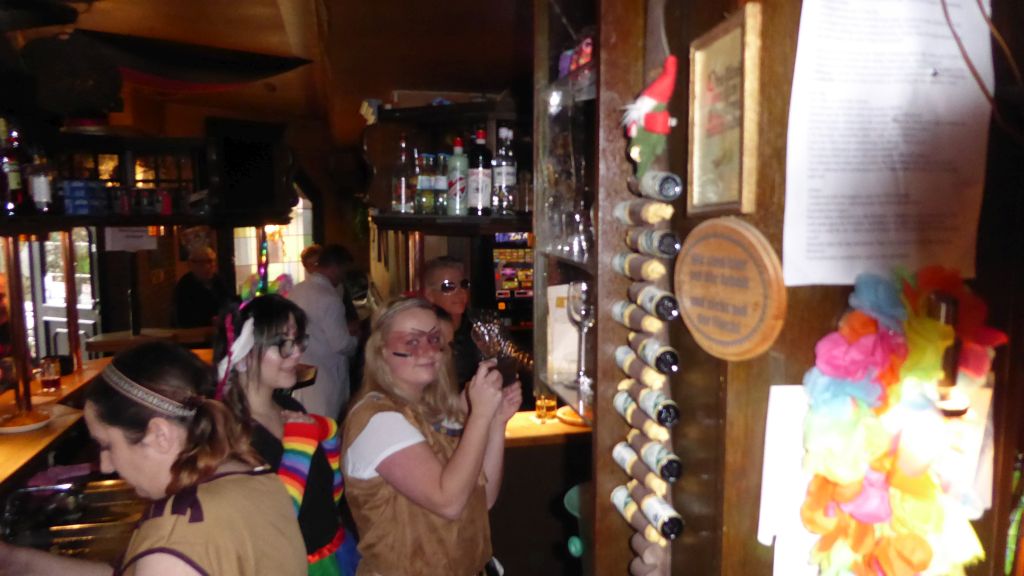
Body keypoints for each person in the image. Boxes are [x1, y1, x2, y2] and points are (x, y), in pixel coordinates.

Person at [0, 341, 307, 576]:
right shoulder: (255, 475)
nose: (105, 466)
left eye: (106, 445)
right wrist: (17, 562)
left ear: (160, 435)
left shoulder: (171, 549)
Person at [341, 297, 520, 576]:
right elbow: (449, 502)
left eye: (434, 339)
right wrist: (480, 416)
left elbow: (481, 500)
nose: (427, 350)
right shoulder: (378, 420)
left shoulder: (434, 411)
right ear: (381, 351)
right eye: (411, 342)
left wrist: (496, 421)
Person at [214, 294, 358, 576]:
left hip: (334, 554)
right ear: (243, 358)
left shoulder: (289, 407)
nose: (296, 353)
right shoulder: (230, 431)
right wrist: (301, 446)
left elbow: (328, 497)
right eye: (283, 344)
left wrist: (328, 438)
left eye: (298, 341)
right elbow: (275, 520)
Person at [288, 245, 359, 419]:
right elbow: (341, 344)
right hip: (326, 374)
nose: (343, 278)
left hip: (301, 368)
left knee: (305, 420)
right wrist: (356, 338)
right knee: (326, 423)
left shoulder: (296, 290)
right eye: (343, 271)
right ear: (335, 268)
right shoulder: (329, 298)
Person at [421, 256, 481, 387]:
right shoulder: (424, 334)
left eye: (464, 284)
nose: (460, 292)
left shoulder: (479, 326)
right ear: (430, 295)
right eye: (448, 286)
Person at [173, 246, 233, 328]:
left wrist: (224, 316)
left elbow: (227, 302)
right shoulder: (185, 285)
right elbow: (183, 317)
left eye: (211, 261)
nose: (208, 266)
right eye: (202, 263)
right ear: (191, 265)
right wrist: (210, 320)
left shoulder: (218, 280)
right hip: (196, 332)